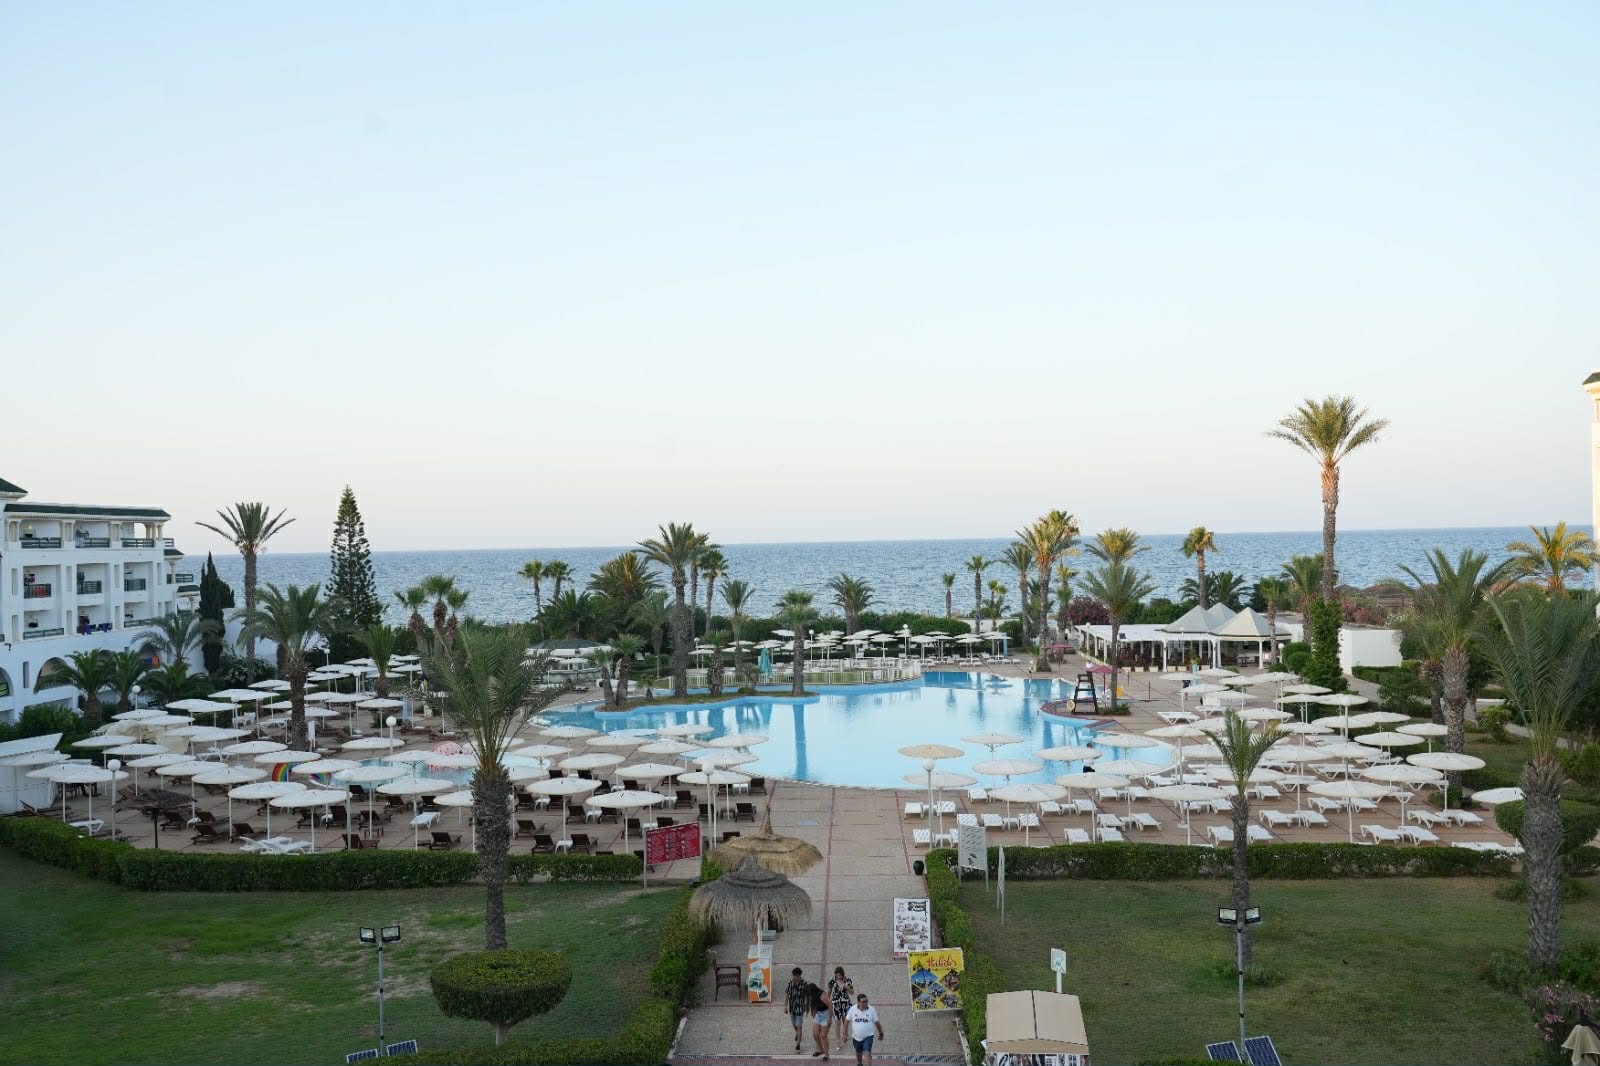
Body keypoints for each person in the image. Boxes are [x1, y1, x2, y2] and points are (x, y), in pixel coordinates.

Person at [845, 992, 885, 1066]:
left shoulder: (872, 1010)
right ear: (858, 1002)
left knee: (867, 1053)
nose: (865, 1003)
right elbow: (847, 1021)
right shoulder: (852, 1009)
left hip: (868, 1036)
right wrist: (845, 1034)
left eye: (866, 1001)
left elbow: (877, 1022)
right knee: (858, 1054)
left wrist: (881, 1033)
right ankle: (859, 1063)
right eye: (863, 1002)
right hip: (856, 1038)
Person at [827, 966, 856, 1050]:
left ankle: (845, 1034)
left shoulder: (847, 980)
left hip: (845, 1004)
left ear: (843, 974)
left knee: (845, 1021)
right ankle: (838, 1042)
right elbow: (829, 992)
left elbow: (852, 992)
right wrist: (828, 1002)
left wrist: (846, 986)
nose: (839, 977)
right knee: (837, 1023)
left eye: (840, 975)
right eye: (837, 975)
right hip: (836, 1004)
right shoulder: (832, 981)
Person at [785, 968, 809, 1052]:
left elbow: (807, 996)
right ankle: (797, 1033)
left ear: (799, 976)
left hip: (800, 1009)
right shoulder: (790, 983)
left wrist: (807, 1006)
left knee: (799, 1026)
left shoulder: (804, 984)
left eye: (795, 976)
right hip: (792, 1008)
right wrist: (785, 1006)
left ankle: (798, 1045)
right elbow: (787, 995)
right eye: (793, 975)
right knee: (794, 1024)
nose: (794, 977)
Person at [809, 978, 832, 1059]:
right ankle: (821, 1050)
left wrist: (830, 1019)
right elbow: (815, 1004)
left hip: (826, 1015)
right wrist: (813, 1012)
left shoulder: (823, 996)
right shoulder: (813, 996)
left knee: (823, 1036)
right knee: (815, 1034)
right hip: (819, 1015)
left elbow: (830, 1006)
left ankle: (827, 1054)